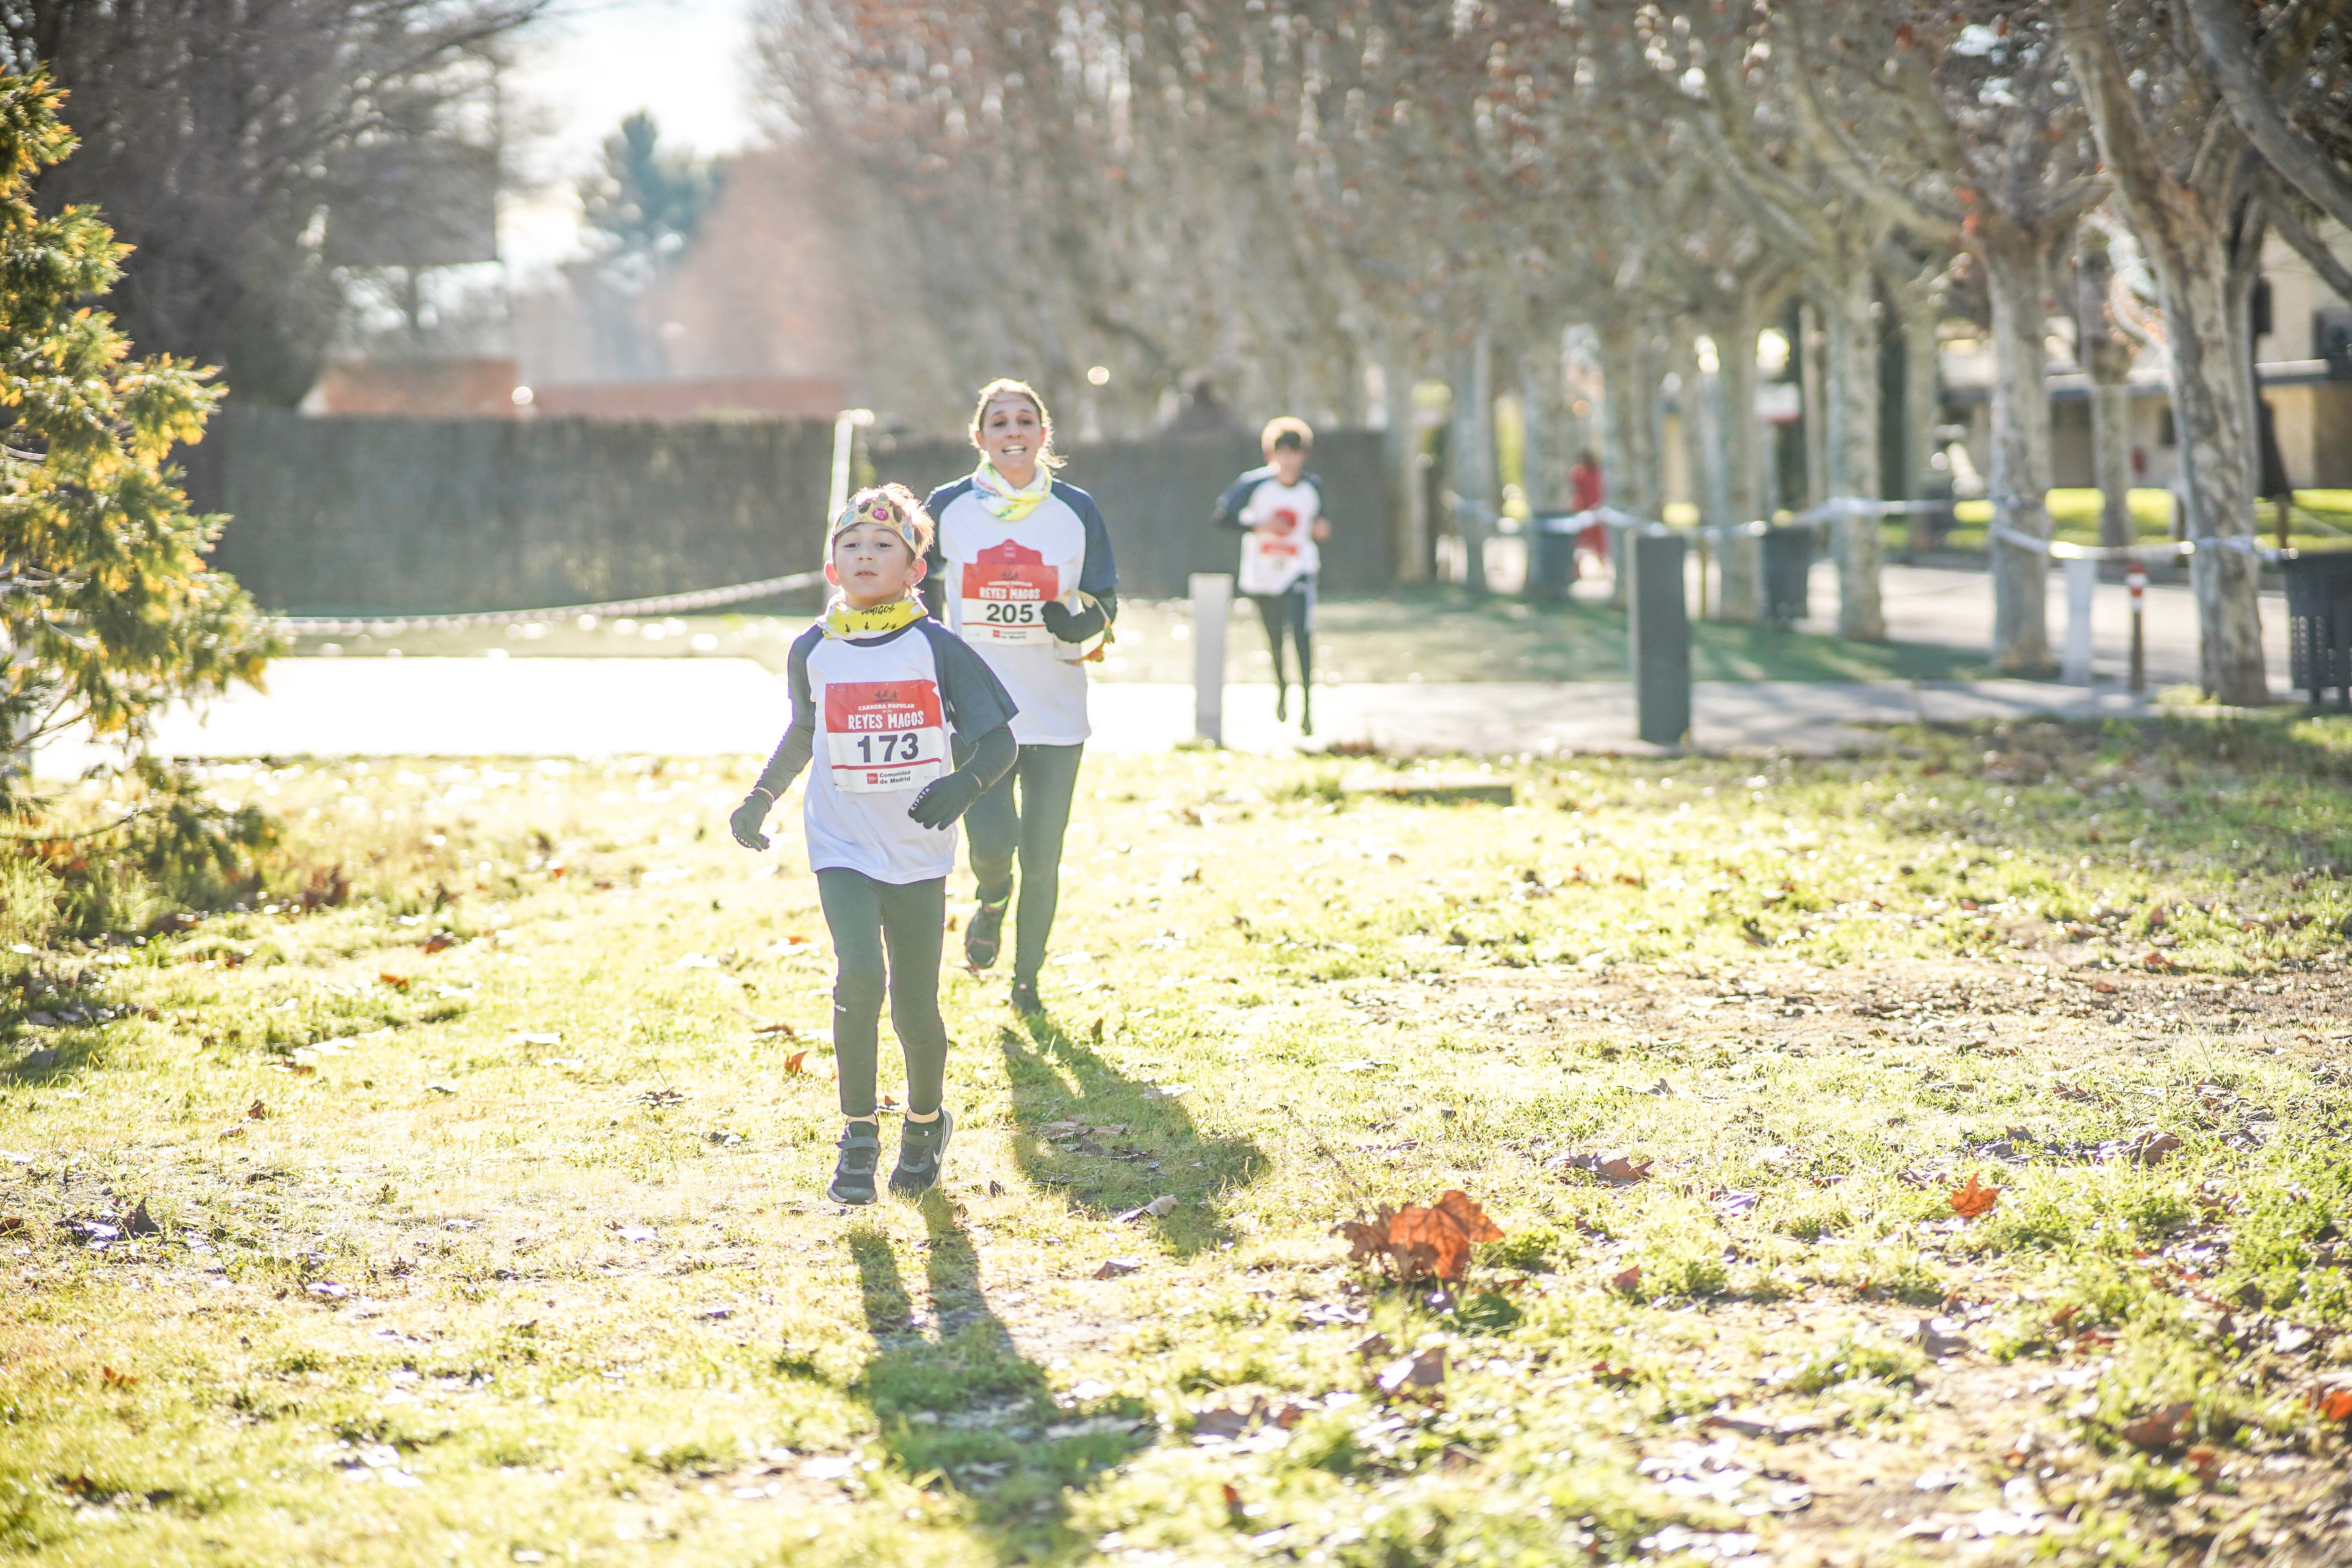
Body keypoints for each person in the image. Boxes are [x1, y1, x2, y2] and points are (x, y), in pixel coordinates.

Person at [729, 485, 1018, 1206]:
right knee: (858, 979)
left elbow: (1001, 740)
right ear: (832, 568)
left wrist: (964, 787)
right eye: (850, 546)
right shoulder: (813, 649)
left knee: (915, 1007)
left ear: (915, 570)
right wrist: (762, 797)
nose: (865, 555)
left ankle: (925, 1124)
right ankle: (857, 1138)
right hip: (843, 843)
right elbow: (804, 731)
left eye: (883, 546)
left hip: (918, 848)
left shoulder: (936, 647)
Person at [922, 379, 1118, 1016]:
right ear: (979, 438)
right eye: (999, 422)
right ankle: (992, 897)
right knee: (993, 847)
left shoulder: (1077, 509)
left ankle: (1027, 982)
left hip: (1058, 708)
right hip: (978, 714)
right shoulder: (949, 507)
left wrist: (1085, 623)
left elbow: (1105, 600)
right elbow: (917, 602)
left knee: (1044, 855)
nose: (1013, 431)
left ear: (1043, 434)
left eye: (1025, 421)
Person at [1212, 416, 1332, 734]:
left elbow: (1321, 521)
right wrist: (1258, 526)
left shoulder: (1312, 487)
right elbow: (1222, 517)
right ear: (1272, 454)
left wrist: (1322, 529)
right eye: (1283, 452)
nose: (1289, 460)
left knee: (1303, 635)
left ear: (1303, 455)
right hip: (1262, 574)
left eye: (1295, 453)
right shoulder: (1253, 485)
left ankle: (1308, 708)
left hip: (1298, 571)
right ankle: (1282, 690)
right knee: (1275, 638)